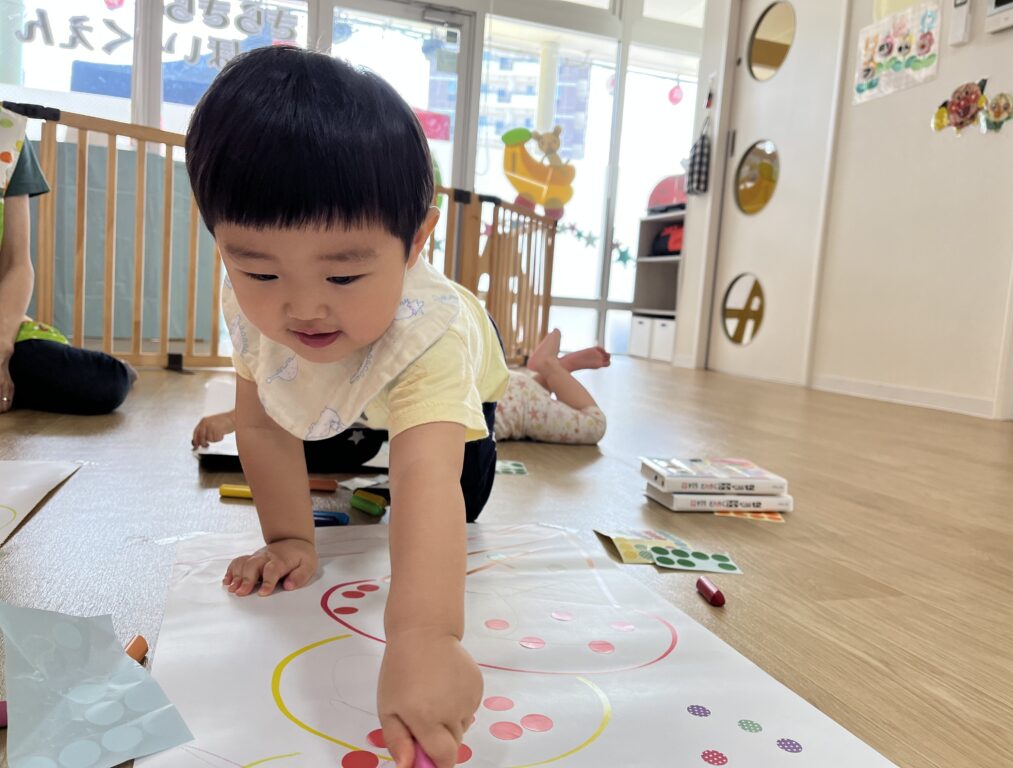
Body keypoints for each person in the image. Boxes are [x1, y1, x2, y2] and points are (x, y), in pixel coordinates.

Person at [183, 47, 508, 768]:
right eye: (258, 269)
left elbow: (427, 476)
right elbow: (263, 422)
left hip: (459, 398)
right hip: (354, 384)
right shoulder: (251, 303)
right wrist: (290, 539)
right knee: (311, 428)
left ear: (415, 242)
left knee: (456, 495)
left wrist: (425, 637)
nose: (302, 306)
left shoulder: (433, 332)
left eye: (343, 275)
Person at [192, 330, 609, 452]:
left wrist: (233, 419)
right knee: (583, 417)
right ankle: (550, 368)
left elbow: (304, 402)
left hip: (506, 394)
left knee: (593, 425)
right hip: (503, 387)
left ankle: (551, 367)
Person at [0, 107, 135, 415]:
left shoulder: (7, 134)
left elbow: (16, 264)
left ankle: (123, 370)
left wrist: (1, 346)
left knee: (102, 382)